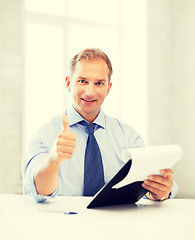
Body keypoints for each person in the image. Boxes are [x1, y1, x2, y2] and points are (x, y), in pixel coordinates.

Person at [23, 48, 178, 203]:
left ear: (108, 88)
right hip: (64, 223)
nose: (90, 92)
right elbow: (38, 191)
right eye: (82, 81)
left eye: (99, 83)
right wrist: (53, 161)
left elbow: (146, 183)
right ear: (69, 84)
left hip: (116, 223)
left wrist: (158, 191)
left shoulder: (129, 137)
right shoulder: (45, 134)